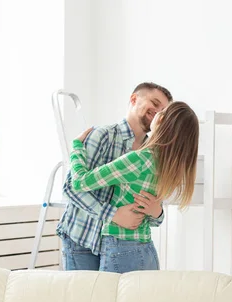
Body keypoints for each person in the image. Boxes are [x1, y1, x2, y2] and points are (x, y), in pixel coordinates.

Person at [69, 101, 199, 273]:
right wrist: (157, 213)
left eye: (162, 111)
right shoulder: (170, 169)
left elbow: (79, 182)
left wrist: (77, 147)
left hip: (120, 249)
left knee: (108, 300)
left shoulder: (139, 160)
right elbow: (153, 217)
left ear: (160, 121)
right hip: (147, 250)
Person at [56, 82, 173, 271]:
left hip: (118, 249)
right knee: (84, 300)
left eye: (163, 111)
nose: (158, 112)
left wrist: (156, 212)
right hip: (82, 243)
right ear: (134, 99)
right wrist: (113, 215)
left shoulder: (152, 154)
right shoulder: (103, 136)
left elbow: (154, 217)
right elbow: (71, 187)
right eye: (155, 103)